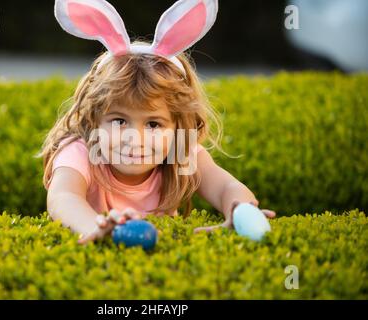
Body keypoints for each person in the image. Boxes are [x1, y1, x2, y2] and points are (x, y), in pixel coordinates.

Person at [37, 0, 276, 245]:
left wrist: (240, 209)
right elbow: (63, 197)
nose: (135, 138)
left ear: (177, 128)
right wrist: (96, 227)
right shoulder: (82, 151)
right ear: (94, 120)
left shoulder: (179, 151)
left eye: (153, 124)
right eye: (119, 120)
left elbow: (226, 186)